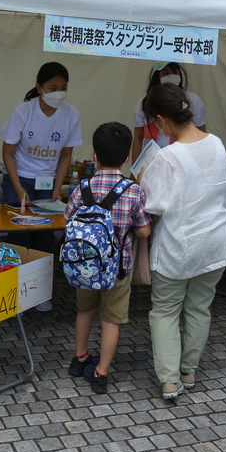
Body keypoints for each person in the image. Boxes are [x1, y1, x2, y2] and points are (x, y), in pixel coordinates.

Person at [140, 83, 226, 399]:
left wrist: (141, 180)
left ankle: (169, 380)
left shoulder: (167, 156)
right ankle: (188, 371)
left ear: (161, 120)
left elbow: (152, 204)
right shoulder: (218, 144)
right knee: (199, 307)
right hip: (216, 241)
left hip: (179, 246)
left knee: (165, 311)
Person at [65, 122, 152, 394]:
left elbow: (67, 219)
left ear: (94, 155)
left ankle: (79, 359)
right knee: (110, 320)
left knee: (85, 311)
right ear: (127, 158)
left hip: (85, 267)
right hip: (117, 269)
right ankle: (101, 372)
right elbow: (145, 230)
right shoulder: (133, 190)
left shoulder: (82, 187)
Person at [1, 61, 83, 255]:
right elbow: (8, 153)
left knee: (44, 233)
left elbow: (65, 155)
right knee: (19, 232)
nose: (59, 93)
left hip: (47, 182)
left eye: (63, 88)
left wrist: (57, 188)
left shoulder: (71, 115)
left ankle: (40, 280)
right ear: (39, 88)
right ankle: (13, 276)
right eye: (53, 88)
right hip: (20, 177)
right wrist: (18, 187)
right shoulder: (23, 112)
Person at [131, 62, 206, 162]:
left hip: (184, 157)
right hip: (153, 159)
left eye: (175, 72)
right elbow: (138, 138)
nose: (171, 76)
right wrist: (135, 170)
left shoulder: (193, 100)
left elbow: (200, 135)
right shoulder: (145, 103)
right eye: (165, 73)